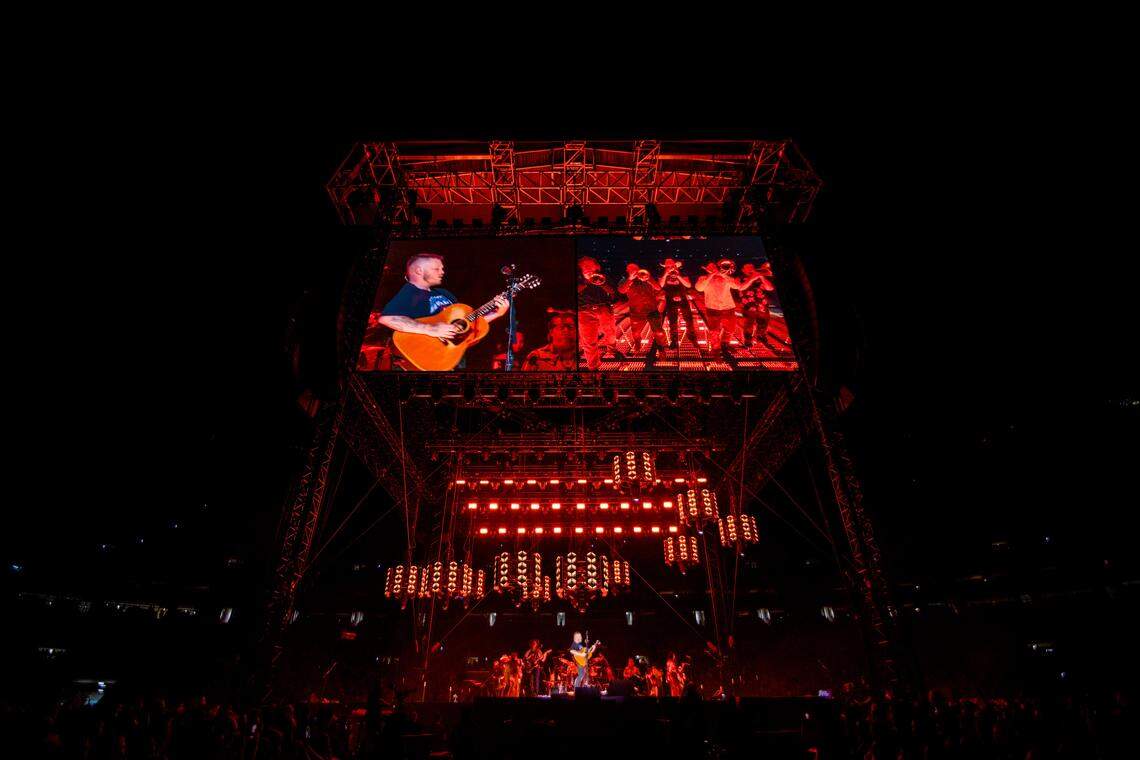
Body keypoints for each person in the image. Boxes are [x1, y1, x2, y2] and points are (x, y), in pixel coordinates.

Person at [374, 253, 509, 369]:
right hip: (420, 357)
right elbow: (387, 318)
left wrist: (496, 313)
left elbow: (463, 325)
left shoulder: (444, 293)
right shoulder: (410, 292)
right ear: (419, 270)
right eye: (436, 268)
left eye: (442, 268)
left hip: (449, 358)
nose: (442, 272)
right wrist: (430, 329)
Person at [694, 259, 761, 353]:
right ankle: (716, 350)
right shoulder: (703, 278)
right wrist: (711, 275)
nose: (713, 268)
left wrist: (723, 275)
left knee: (730, 329)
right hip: (712, 308)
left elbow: (737, 286)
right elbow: (699, 288)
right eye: (710, 266)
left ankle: (725, 344)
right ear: (706, 268)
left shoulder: (726, 277)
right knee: (714, 332)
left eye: (714, 266)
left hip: (728, 307)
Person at [576, 256, 619, 369]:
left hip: (604, 308)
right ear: (580, 268)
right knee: (588, 341)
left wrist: (602, 283)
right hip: (583, 311)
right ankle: (593, 367)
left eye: (590, 265)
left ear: (597, 267)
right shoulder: (579, 280)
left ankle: (612, 350)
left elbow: (613, 292)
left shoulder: (603, 277)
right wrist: (587, 282)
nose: (588, 268)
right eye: (584, 266)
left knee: (610, 333)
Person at [618, 264, 667, 356]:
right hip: (636, 312)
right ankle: (637, 342)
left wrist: (649, 279)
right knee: (636, 332)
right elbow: (621, 290)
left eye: (636, 268)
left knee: (659, 331)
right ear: (627, 271)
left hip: (652, 310)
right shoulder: (625, 280)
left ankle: (661, 347)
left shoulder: (647, 277)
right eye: (631, 269)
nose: (634, 270)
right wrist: (630, 279)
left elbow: (658, 288)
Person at [659, 259, 700, 351]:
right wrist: (665, 274)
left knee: (689, 320)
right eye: (667, 266)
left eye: (671, 265)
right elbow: (660, 285)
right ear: (665, 267)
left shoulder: (682, 273)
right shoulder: (663, 275)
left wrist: (679, 276)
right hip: (670, 300)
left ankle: (692, 338)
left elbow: (688, 285)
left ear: (675, 265)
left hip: (683, 299)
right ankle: (674, 341)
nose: (670, 267)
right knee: (672, 322)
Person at [736, 262, 776, 348]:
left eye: (752, 267)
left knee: (763, 324)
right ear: (743, 270)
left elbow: (770, 288)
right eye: (748, 267)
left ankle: (761, 337)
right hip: (748, 306)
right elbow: (741, 287)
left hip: (762, 306)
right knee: (749, 325)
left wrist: (761, 276)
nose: (751, 268)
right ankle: (748, 341)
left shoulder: (760, 278)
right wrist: (752, 278)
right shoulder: (740, 278)